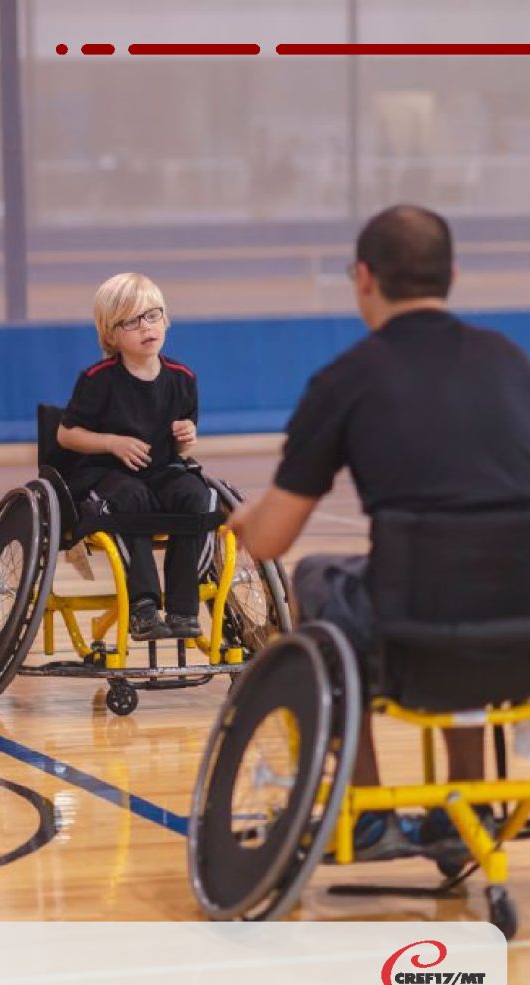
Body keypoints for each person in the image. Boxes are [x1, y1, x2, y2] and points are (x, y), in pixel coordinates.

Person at [228, 205, 530, 860]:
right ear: (448, 274)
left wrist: (245, 522)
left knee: (316, 577)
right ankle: (466, 800)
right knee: (475, 574)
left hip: (408, 643)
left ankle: (364, 812)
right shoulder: (512, 364)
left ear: (363, 277)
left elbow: (271, 540)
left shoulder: (345, 380)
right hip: (520, 644)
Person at [57, 272, 216, 640]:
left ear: (166, 319)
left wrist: (187, 437)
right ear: (111, 334)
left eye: (152, 315)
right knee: (131, 498)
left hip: (161, 470)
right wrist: (112, 443)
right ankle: (143, 605)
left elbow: (184, 448)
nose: (146, 327)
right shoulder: (98, 379)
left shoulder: (182, 378)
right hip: (105, 476)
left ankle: (182, 607)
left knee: (196, 495)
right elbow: (66, 434)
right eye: (131, 321)